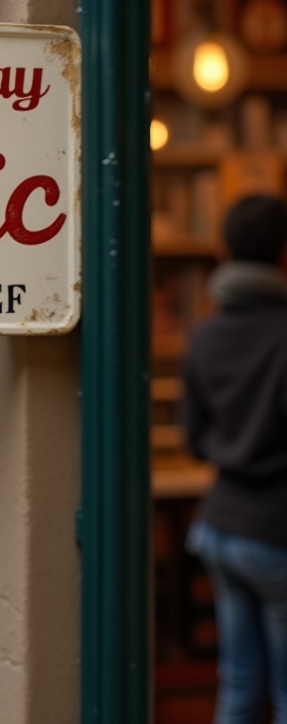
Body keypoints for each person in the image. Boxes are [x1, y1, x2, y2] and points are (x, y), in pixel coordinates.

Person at [182, 193, 287, 724]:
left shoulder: (203, 335)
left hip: (219, 527)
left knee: (239, 682)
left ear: (223, 253)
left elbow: (194, 438)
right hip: (274, 533)